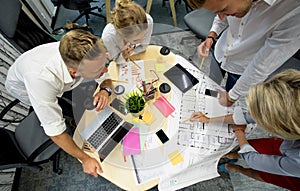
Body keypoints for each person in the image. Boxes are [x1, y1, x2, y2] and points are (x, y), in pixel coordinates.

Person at [5, 29, 113, 177]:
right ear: (74, 72)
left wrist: (105, 89)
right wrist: (85, 158)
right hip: (25, 87)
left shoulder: (78, 51)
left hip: (57, 78)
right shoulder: (41, 82)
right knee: (60, 114)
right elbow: (56, 133)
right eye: (98, 70)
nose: (105, 69)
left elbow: (103, 72)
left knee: (76, 102)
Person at [190, 69, 300, 191]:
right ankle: (235, 157)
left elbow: (254, 161)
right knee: (260, 146)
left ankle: (238, 169)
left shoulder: (297, 162)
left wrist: (239, 133)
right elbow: (247, 117)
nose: (248, 112)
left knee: (268, 176)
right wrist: (209, 120)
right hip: (291, 143)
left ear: (281, 127)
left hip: (295, 174)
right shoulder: (292, 113)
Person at [187, 0, 300, 106]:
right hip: (222, 51)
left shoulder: (293, 10)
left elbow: (263, 65)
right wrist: (212, 35)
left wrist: (232, 97)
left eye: (224, 9)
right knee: (211, 87)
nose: (221, 16)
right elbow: (222, 17)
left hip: (243, 69)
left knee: (227, 100)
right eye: (217, 12)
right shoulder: (230, 5)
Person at [101, 0, 153, 65]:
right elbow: (117, 60)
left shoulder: (148, 21)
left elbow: (144, 47)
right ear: (123, 36)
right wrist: (124, 54)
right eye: (136, 40)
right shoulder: (109, 37)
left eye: (144, 35)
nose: (142, 41)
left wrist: (132, 50)